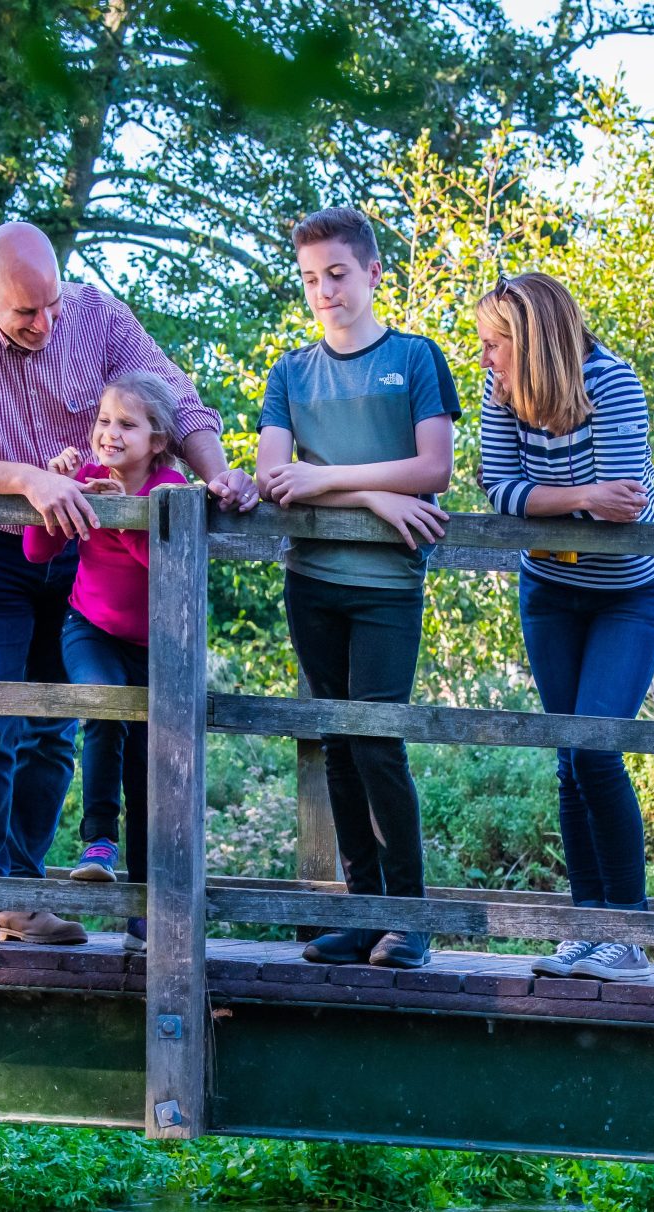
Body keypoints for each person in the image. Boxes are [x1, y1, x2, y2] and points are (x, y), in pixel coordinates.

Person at [0, 221, 246, 946]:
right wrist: (26, 478)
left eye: (51, 304)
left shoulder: (97, 315)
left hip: (91, 549)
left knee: (58, 725)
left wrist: (216, 475)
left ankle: (22, 898)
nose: (45, 322)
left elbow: (176, 399)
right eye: (26, 312)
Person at [212, 207, 457, 970]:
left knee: (378, 743)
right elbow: (275, 480)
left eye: (339, 275)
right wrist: (373, 498)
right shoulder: (289, 374)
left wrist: (331, 478)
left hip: (387, 585)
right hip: (311, 581)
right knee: (337, 749)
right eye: (312, 279)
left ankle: (408, 918)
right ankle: (360, 913)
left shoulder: (417, 359)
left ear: (374, 273)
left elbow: (434, 470)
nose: (325, 291)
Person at [473, 274, 654, 980]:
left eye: (495, 343)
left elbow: (626, 501)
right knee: (566, 752)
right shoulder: (502, 396)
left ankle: (627, 934)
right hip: (551, 589)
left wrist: (555, 501)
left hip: (628, 594)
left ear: (531, 339)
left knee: (595, 748)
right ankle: (586, 928)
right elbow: (499, 489)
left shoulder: (612, 383)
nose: (486, 358)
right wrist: (581, 494)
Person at [22, 368, 188, 954]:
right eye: (102, 421)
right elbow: (38, 549)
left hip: (154, 646)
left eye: (126, 425)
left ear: (158, 439)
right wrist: (56, 489)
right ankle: (98, 842)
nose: (109, 434)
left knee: (148, 765)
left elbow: (164, 567)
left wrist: (121, 519)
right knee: (102, 708)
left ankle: (143, 915)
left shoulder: (169, 487)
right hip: (88, 629)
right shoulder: (86, 477)